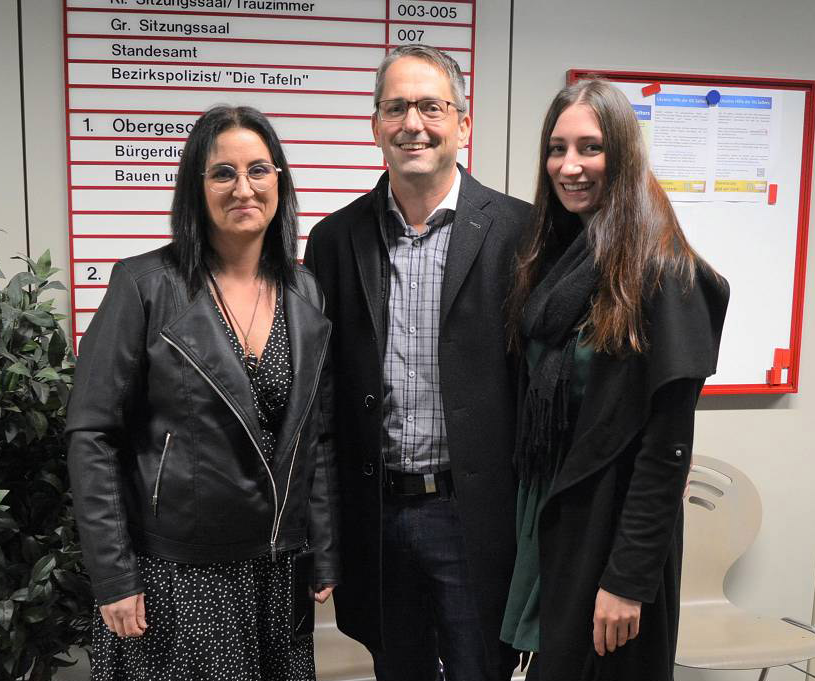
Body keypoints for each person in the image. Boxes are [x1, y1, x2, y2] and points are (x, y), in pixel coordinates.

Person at [65, 105, 339, 681]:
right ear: (197, 185)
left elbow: (318, 435)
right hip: (176, 573)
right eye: (223, 173)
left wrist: (324, 549)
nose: (244, 187)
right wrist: (113, 576)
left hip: (275, 568)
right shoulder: (144, 284)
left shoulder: (305, 290)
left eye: (259, 170)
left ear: (279, 181)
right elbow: (92, 435)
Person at [303, 45, 528, 681]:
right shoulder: (334, 240)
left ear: (463, 122)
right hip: (378, 516)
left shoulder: (520, 232)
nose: (414, 123)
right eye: (396, 107)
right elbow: (321, 396)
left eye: (432, 106)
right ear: (375, 124)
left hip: (475, 515)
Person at [501, 78, 729, 681]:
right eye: (556, 148)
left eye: (590, 148)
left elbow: (666, 450)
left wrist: (626, 581)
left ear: (623, 155)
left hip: (612, 540)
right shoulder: (559, 260)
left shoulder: (665, 274)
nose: (569, 166)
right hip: (555, 523)